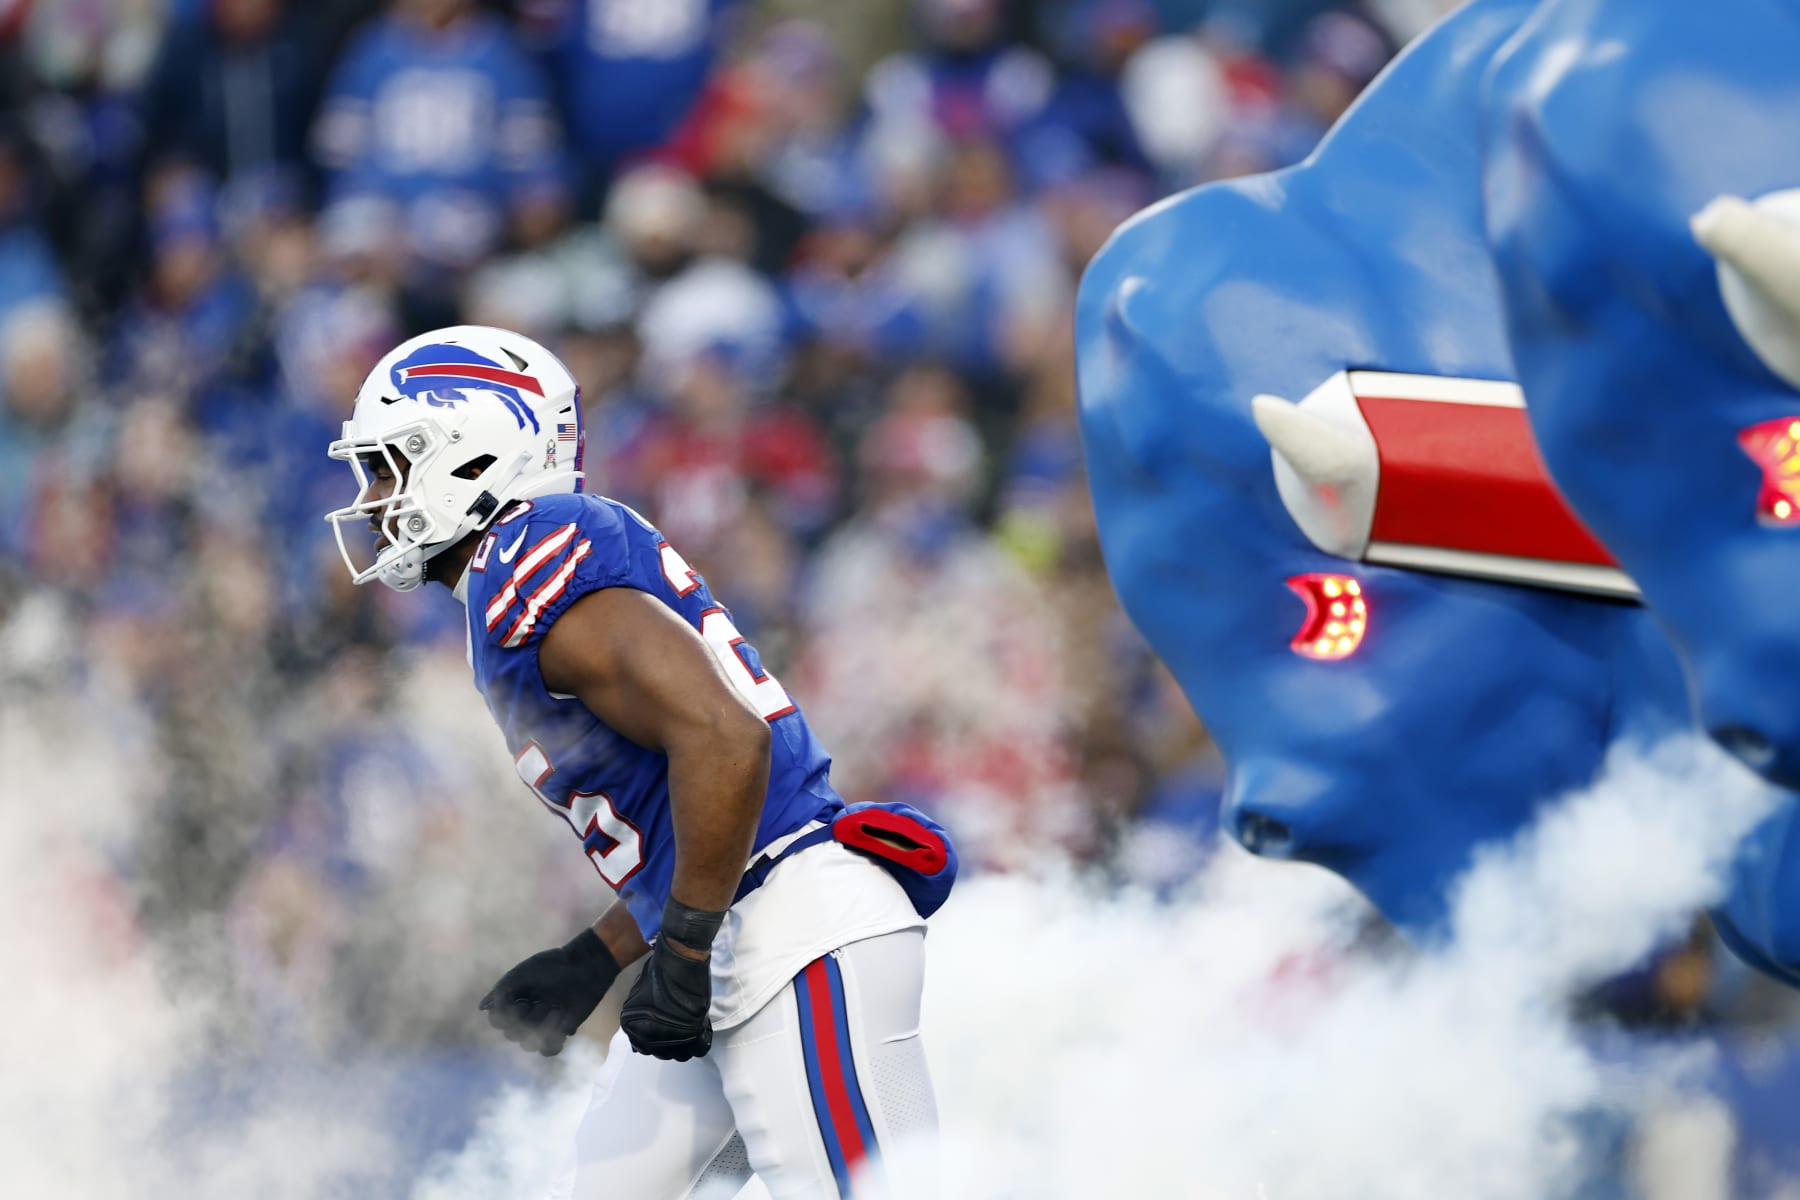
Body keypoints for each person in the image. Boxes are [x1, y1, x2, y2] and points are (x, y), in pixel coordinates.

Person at [323, 325, 950, 1197]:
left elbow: (729, 742)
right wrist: (601, 951)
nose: (377, 497)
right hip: (740, 924)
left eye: (393, 464)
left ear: (475, 449)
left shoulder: (523, 557)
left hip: (795, 933)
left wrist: (683, 951)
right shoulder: (513, 574)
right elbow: (683, 804)